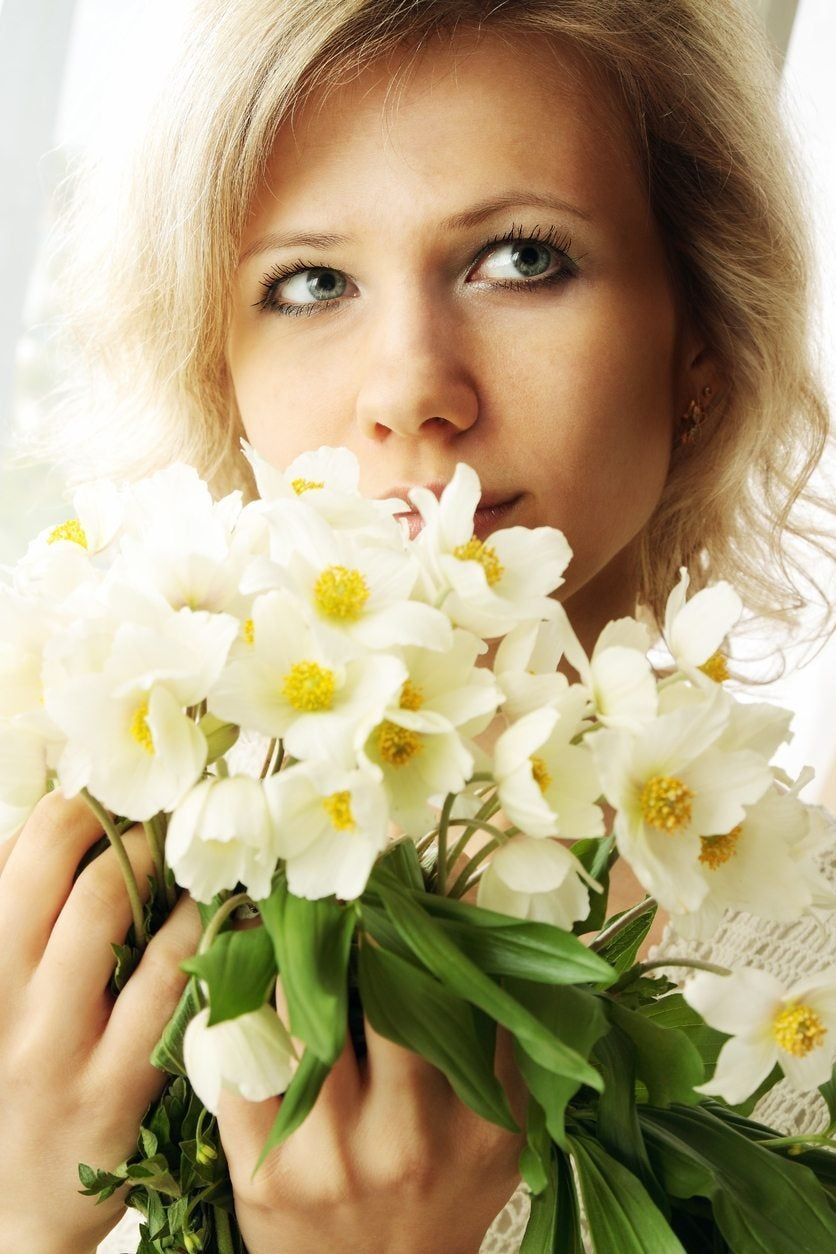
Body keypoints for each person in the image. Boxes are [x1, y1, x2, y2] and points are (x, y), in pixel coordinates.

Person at [3, 2, 835, 1251]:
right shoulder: (65, 889)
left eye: (520, 259)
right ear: (215, 370)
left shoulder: (801, 989)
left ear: (697, 340)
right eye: (311, 282)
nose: (409, 392)